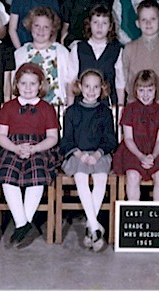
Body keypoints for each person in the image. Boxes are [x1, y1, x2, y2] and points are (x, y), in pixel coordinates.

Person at [0, 63, 62, 249]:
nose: (28, 88)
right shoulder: (8, 107)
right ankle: (22, 223)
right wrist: (15, 148)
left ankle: (23, 223)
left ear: (40, 85)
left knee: (37, 176)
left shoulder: (46, 108)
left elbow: (53, 138)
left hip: (39, 148)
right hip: (12, 147)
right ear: (17, 85)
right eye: (23, 83)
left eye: (32, 83)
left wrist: (34, 148)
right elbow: (0, 136)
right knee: (7, 174)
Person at [60, 69, 117, 251]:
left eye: (95, 87)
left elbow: (110, 139)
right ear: (79, 87)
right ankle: (95, 226)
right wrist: (80, 155)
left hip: (99, 154)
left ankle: (91, 227)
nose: (91, 91)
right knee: (81, 177)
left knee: (101, 177)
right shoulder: (71, 111)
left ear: (102, 89)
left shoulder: (105, 112)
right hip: (77, 155)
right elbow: (66, 140)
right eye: (87, 86)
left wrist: (97, 154)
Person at [113, 70, 159, 201]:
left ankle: (157, 215)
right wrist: (141, 156)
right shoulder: (129, 110)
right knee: (132, 175)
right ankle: (134, 215)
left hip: (156, 150)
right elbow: (128, 138)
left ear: (156, 90)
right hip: (133, 149)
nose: (146, 95)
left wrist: (152, 156)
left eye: (149, 90)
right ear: (135, 90)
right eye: (141, 90)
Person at [122, 0, 159, 106]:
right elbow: (124, 77)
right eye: (144, 19)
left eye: (153, 19)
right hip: (134, 107)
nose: (148, 23)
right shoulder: (129, 49)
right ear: (137, 23)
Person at [67, 4, 124, 107]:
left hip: (107, 105)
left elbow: (120, 83)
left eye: (104, 23)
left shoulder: (117, 50)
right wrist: (69, 106)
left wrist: (120, 107)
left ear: (110, 26)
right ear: (89, 24)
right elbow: (71, 80)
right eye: (95, 22)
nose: (99, 27)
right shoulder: (78, 48)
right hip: (81, 105)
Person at [13, 6, 72, 106]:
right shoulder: (20, 53)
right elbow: (14, 84)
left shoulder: (62, 52)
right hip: (28, 109)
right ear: (30, 26)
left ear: (52, 29)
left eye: (46, 27)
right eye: (37, 26)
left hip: (56, 107)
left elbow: (69, 82)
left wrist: (70, 107)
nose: (41, 30)